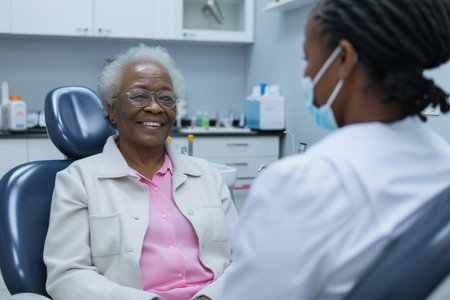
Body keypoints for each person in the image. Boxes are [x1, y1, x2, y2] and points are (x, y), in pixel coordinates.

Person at [223, 0, 450, 299]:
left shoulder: (303, 183)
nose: (307, 75)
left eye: (307, 58)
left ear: (343, 58)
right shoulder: (442, 159)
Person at [43, 44, 238, 300]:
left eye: (166, 98)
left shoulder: (207, 175)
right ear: (112, 110)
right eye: (139, 96)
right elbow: (67, 276)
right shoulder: (78, 180)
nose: (155, 108)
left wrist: (209, 297)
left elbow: (245, 258)